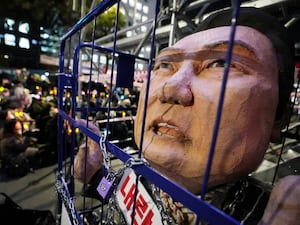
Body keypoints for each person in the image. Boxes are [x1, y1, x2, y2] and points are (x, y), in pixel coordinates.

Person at [74, 6, 298, 225]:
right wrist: (94, 175)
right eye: (164, 65)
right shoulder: (141, 175)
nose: (170, 89)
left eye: (222, 64)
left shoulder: (261, 211)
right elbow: (116, 197)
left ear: (279, 118)